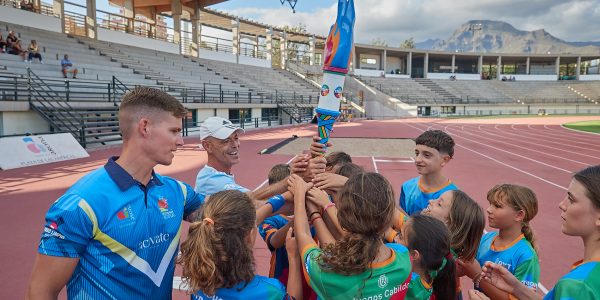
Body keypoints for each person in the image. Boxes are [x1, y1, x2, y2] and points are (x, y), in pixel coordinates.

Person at [26, 87, 205, 299]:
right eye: (174, 131)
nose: (181, 141)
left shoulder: (178, 192)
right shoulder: (80, 204)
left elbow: (227, 214)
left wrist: (255, 195)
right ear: (145, 127)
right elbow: (40, 292)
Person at [469, 165, 600, 300]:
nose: (561, 204)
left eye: (571, 199)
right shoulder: (586, 279)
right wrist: (517, 288)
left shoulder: (578, 285)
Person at [289, 172, 413, 299]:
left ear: (341, 217)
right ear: (389, 219)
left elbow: (303, 234)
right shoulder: (404, 259)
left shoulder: (325, 271)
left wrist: (300, 195)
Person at [178, 190, 302, 300]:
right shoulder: (270, 291)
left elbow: (231, 225)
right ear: (249, 235)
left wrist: (280, 199)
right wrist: (293, 257)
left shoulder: (200, 277)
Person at [460, 184, 540, 299]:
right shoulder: (486, 239)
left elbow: (521, 298)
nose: (489, 210)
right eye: (490, 204)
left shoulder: (526, 256)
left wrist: (477, 275)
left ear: (519, 215)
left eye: (497, 206)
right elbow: (465, 267)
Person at [400, 130, 457, 215]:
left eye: (427, 155)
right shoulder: (407, 186)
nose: (418, 160)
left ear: (444, 160)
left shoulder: (453, 197)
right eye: (417, 153)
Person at [400, 214, 456, 300]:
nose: (395, 238)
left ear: (414, 254)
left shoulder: (407, 284)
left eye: (400, 236)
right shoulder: (436, 264)